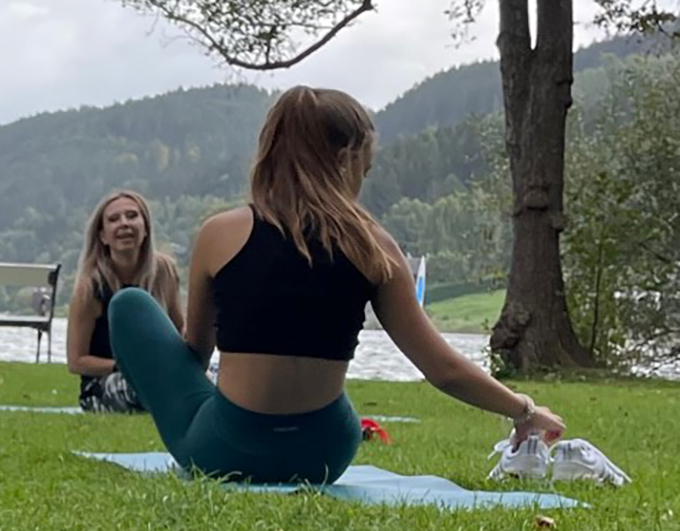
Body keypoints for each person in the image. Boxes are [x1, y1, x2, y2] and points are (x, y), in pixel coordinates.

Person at [107, 86, 565, 485]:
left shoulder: (219, 233)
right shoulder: (374, 245)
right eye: (365, 170)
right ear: (346, 159)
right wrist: (524, 410)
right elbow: (442, 368)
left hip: (225, 451)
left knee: (129, 306)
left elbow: (195, 355)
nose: (361, 182)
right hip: (324, 454)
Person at [65, 190, 183, 413]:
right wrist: (128, 367)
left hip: (160, 375)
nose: (124, 224)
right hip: (105, 384)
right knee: (149, 388)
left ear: (145, 228)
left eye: (132, 216)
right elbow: (76, 361)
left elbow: (180, 330)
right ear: (103, 236)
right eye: (114, 219)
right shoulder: (91, 285)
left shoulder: (164, 271)